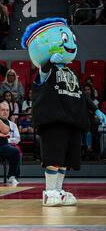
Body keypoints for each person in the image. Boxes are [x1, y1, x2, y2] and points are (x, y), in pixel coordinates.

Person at [21, 17, 106, 207]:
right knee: (53, 157)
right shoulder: (47, 68)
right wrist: (47, 63)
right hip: (54, 119)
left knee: (66, 159)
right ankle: (49, 192)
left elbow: (81, 94)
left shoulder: (71, 72)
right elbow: (41, 76)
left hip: (73, 119)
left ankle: (58, 191)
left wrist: (97, 110)